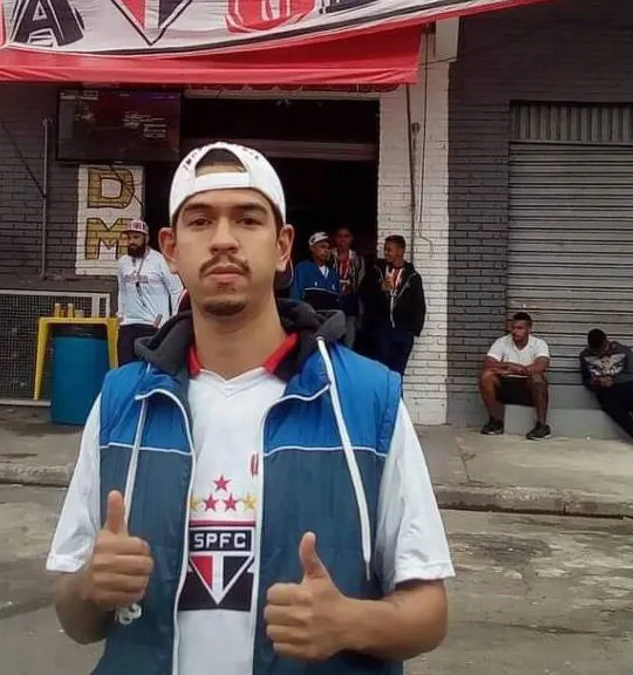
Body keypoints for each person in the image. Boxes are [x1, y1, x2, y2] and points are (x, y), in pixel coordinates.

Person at [47, 142, 454, 674]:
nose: (223, 239)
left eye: (247, 219)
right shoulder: (123, 401)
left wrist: (350, 624)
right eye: (200, 221)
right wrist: (90, 588)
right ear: (171, 249)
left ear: (282, 246)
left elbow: (429, 614)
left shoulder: (367, 400)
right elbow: (76, 620)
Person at [115, 218, 184, 365]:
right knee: (125, 369)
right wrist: (121, 315)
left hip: (152, 325)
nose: (131, 241)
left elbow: (176, 290)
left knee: (149, 369)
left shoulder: (160, 260)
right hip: (128, 324)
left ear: (146, 239)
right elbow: (122, 290)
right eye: (129, 238)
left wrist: (171, 320)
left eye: (136, 237)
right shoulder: (123, 262)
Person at [579, 329, 633, 449]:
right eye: (595, 351)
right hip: (605, 390)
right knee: (612, 407)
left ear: (607, 342)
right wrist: (596, 382)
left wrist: (613, 380)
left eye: (602, 349)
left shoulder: (623, 351)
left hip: (627, 386)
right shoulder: (585, 356)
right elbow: (586, 379)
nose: (600, 353)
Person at [479, 312, 552, 440]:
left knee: (538, 379)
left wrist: (518, 370)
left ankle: (542, 425)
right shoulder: (502, 342)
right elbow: (488, 363)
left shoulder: (539, 344)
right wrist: (509, 365)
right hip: (506, 386)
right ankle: (495, 421)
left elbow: (541, 366)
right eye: (513, 328)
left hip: (528, 388)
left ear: (529, 329)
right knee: (486, 376)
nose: (514, 331)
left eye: (519, 328)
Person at [364, 235, 426, 375]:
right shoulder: (376, 270)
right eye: (385, 249)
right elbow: (363, 293)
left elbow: (419, 305)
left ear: (400, 251)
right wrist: (379, 288)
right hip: (381, 330)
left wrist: (412, 330)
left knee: (398, 373)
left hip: (403, 332)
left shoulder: (413, 276)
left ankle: (396, 392)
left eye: (389, 250)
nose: (385, 253)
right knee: (381, 372)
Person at [289, 231, 341, 317]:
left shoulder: (333, 274)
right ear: (312, 248)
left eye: (328, 248)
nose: (326, 250)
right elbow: (295, 298)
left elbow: (338, 301)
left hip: (330, 321)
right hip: (309, 319)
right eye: (322, 247)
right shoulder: (302, 268)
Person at [331, 226, 365, 348]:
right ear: (335, 238)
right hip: (332, 302)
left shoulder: (357, 260)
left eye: (346, 236)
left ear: (351, 239)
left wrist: (361, 311)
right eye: (339, 236)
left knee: (349, 338)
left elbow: (361, 285)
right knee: (333, 337)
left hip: (350, 301)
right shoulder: (329, 256)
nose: (343, 239)